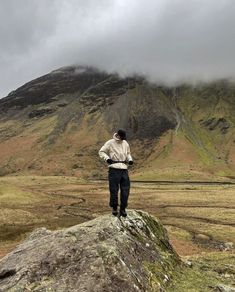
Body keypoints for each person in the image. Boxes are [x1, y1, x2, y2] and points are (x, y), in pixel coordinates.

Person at [99, 129, 133, 217]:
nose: (123, 139)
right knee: (114, 189)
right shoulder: (110, 143)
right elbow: (101, 151)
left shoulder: (125, 143)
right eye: (122, 137)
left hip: (124, 169)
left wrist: (130, 160)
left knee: (126, 190)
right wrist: (107, 159)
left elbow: (128, 153)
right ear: (118, 135)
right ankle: (114, 207)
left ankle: (123, 208)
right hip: (114, 169)